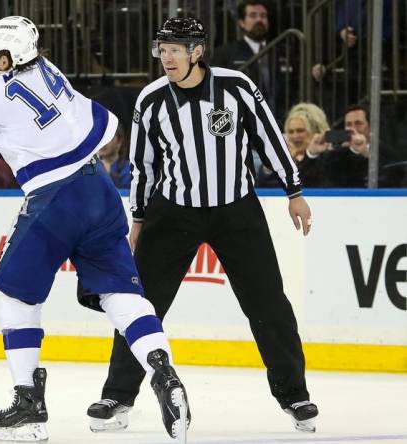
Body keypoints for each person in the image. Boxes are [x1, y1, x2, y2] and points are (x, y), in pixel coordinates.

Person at [0, 15, 191, 442]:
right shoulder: (48, 69)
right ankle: (164, 370)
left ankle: (28, 404)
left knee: (14, 297)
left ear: (4, 58)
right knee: (122, 293)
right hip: (98, 188)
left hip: (52, 199)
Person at [84, 17, 319, 435]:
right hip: (173, 212)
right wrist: (138, 218)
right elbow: (143, 165)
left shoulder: (237, 87)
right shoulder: (151, 99)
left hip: (237, 209)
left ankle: (294, 394)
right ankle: (118, 395)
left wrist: (293, 192)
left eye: (175, 48)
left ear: (197, 52)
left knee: (268, 304)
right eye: (162, 48)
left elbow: (269, 138)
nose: (166, 57)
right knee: (141, 305)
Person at [212, 1, 277, 113]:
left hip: (282, 124)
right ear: (241, 22)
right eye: (253, 15)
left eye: (263, 16)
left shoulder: (280, 52)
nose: (259, 20)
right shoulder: (225, 53)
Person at [258, 102, 330, 188]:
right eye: (291, 132)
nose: (295, 136)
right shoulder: (282, 157)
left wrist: (310, 155)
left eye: (300, 131)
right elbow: (264, 187)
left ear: (316, 131)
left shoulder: (328, 158)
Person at [97, 123, 131, 188]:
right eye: (99, 137)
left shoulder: (130, 170)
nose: (103, 143)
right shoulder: (89, 170)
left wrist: (109, 173)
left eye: (108, 137)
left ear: (119, 141)